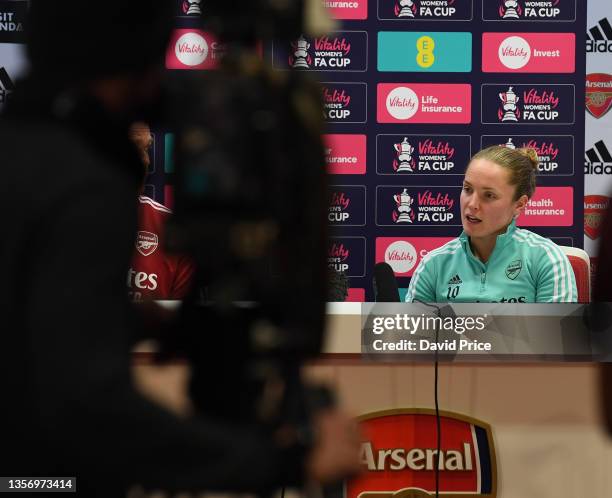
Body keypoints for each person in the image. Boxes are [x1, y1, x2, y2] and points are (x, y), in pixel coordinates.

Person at [0, 1, 360, 496]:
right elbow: (86, 406)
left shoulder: (24, 154)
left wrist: (127, 320)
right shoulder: (86, 187)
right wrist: (281, 463)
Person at [405, 145, 576, 303]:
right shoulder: (433, 264)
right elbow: (412, 335)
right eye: (467, 189)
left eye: (489, 195)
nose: (472, 204)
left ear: (519, 204)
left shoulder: (546, 260)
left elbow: (557, 335)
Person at [128, 122, 195, 301]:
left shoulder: (171, 231)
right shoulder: (69, 223)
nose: (146, 160)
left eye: (147, 149)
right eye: (135, 148)